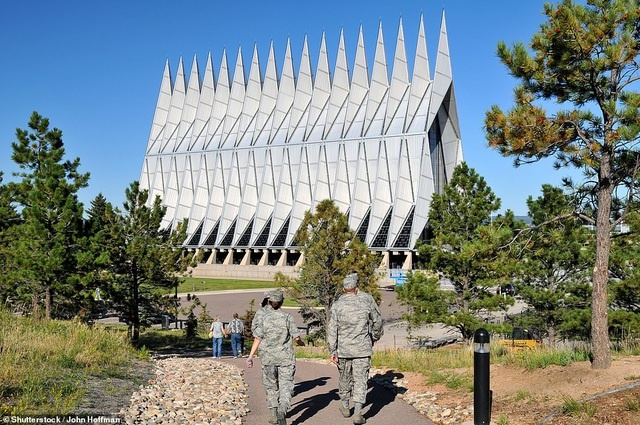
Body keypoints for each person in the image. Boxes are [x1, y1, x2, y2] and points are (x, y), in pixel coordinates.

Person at [327, 273, 384, 425]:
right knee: (361, 380)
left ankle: (345, 406)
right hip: (362, 349)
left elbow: (332, 329)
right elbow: (377, 321)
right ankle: (358, 413)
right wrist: (375, 336)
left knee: (345, 377)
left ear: (344, 289)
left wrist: (332, 350)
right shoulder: (366, 301)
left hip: (343, 349)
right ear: (356, 287)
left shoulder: (337, 305)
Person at [246, 290, 304, 425]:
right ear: (281, 302)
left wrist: (250, 357)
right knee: (286, 385)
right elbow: (296, 337)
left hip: (268, 357)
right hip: (285, 358)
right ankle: (282, 410)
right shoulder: (287, 317)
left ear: (269, 301)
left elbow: (257, 337)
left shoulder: (264, 318)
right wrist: (300, 343)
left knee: (271, 386)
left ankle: (273, 413)